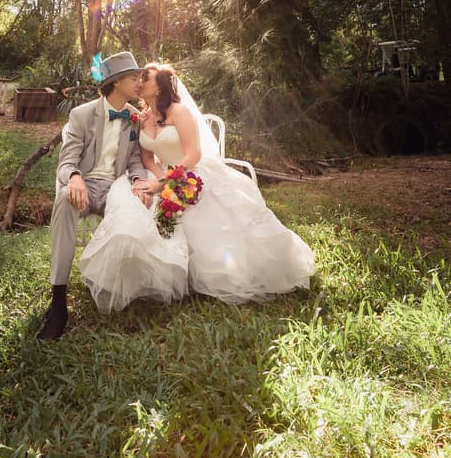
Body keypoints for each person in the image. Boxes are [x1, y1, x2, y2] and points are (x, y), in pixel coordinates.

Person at [80, 63, 315, 309]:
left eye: (144, 78)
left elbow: (193, 154)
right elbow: (148, 158)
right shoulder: (143, 117)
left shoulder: (179, 112)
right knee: (146, 210)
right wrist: (160, 182)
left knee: (205, 218)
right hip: (165, 176)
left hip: (192, 173)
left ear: (159, 87)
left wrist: (165, 182)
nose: (139, 82)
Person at [37, 52, 151, 341]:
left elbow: (135, 159)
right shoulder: (81, 115)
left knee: (138, 204)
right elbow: (66, 161)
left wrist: (139, 180)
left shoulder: (134, 119)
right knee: (64, 200)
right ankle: (58, 300)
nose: (139, 82)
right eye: (133, 77)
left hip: (116, 187)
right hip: (84, 185)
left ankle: (124, 284)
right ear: (115, 82)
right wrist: (74, 178)